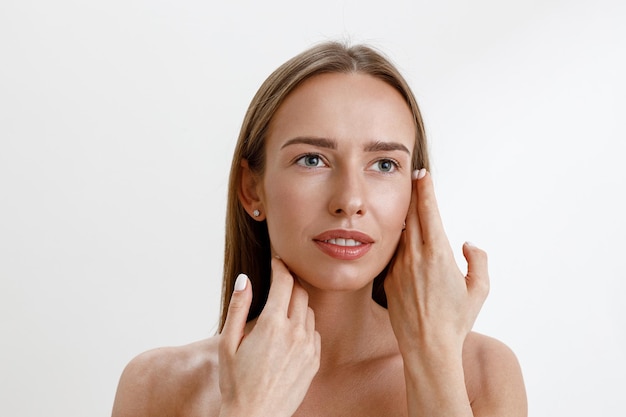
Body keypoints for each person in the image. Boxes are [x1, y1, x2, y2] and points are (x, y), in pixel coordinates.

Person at [111, 41, 527, 417]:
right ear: (252, 189)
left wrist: (434, 363)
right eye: (312, 159)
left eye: (384, 165)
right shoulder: (158, 385)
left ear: (414, 194)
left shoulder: (482, 374)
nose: (350, 199)